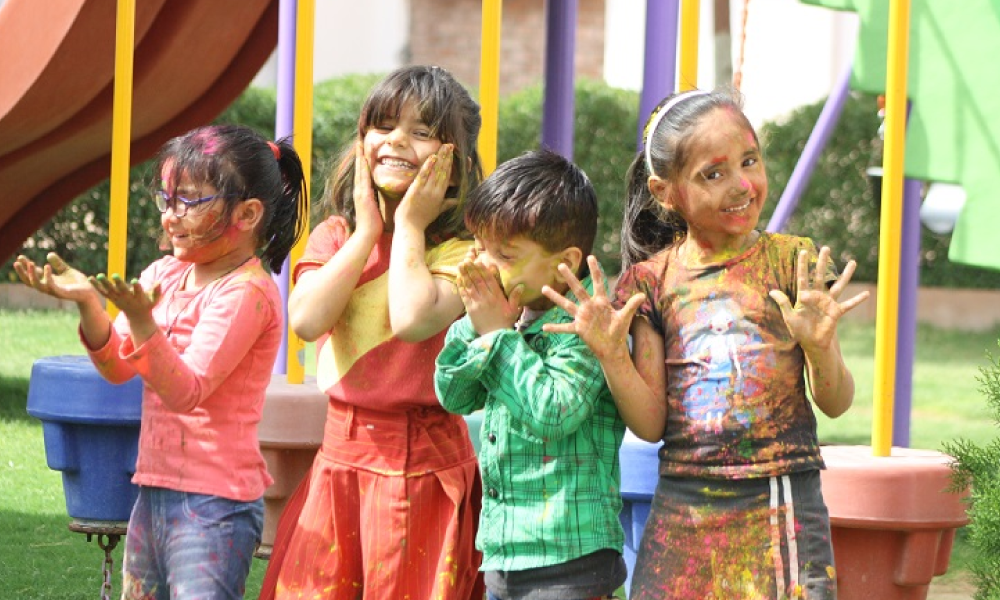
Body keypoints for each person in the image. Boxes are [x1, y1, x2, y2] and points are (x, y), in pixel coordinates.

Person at [541, 89, 870, 600]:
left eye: (749, 161)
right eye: (713, 174)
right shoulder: (651, 282)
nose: (741, 185)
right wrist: (612, 356)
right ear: (665, 191)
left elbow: (835, 401)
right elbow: (650, 425)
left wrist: (820, 346)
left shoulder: (792, 263)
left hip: (779, 497)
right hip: (685, 502)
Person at [14, 124, 308, 599]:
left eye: (189, 200)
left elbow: (187, 391)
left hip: (216, 504)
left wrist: (140, 319)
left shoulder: (247, 293)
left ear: (248, 213)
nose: (171, 216)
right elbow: (118, 367)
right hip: (153, 491)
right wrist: (89, 303)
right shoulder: (165, 274)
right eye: (166, 200)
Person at [260, 65, 485, 600]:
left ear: (455, 160)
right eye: (383, 126)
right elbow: (306, 320)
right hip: (339, 460)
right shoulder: (337, 235)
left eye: (422, 131)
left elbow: (412, 318)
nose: (397, 141)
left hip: (426, 468)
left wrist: (408, 226)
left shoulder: (467, 251)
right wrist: (366, 232)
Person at [435, 149, 628, 600]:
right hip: (505, 556)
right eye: (479, 247)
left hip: (571, 563)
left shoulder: (586, 326)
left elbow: (553, 412)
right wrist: (476, 328)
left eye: (503, 254)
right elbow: (454, 395)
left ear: (566, 263)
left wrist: (497, 336)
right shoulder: (507, 318)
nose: (483, 265)